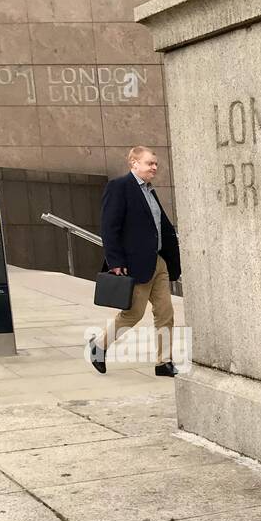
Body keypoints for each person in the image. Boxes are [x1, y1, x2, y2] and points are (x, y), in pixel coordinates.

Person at [89, 146, 181, 377]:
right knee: (133, 314)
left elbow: (157, 226)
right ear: (134, 163)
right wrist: (115, 261)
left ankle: (164, 362)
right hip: (134, 264)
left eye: (156, 164)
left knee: (165, 313)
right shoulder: (119, 187)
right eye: (150, 163)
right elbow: (109, 228)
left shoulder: (150, 191)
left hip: (159, 262)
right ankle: (98, 346)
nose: (155, 167)